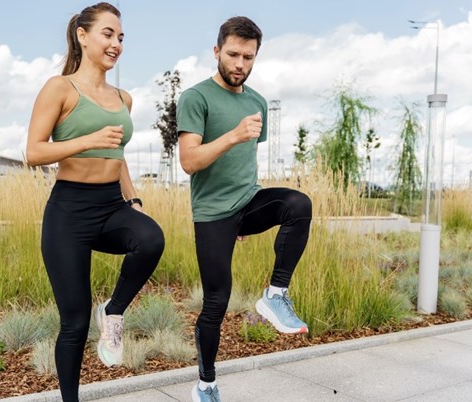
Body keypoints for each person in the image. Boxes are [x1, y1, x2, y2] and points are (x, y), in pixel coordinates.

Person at [25, 3, 164, 401]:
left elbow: (117, 156)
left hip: (111, 205)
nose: (116, 43)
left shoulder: (124, 98)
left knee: (151, 239)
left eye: (121, 37)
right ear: (82, 36)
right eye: (108, 33)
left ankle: (115, 310)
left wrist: (133, 199)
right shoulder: (59, 88)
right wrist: (87, 140)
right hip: (68, 212)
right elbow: (33, 153)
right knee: (73, 322)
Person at [177, 16, 313, 402]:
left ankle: (275, 295)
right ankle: (205, 385)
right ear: (217, 51)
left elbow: (246, 161)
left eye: (248, 57)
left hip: (247, 202)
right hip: (213, 214)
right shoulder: (196, 97)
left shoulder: (256, 102)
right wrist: (233, 134)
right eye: (233, 54)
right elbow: (190, 161)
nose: (240, 64)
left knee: (297, 204)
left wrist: (251, 213)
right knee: (216, 301)